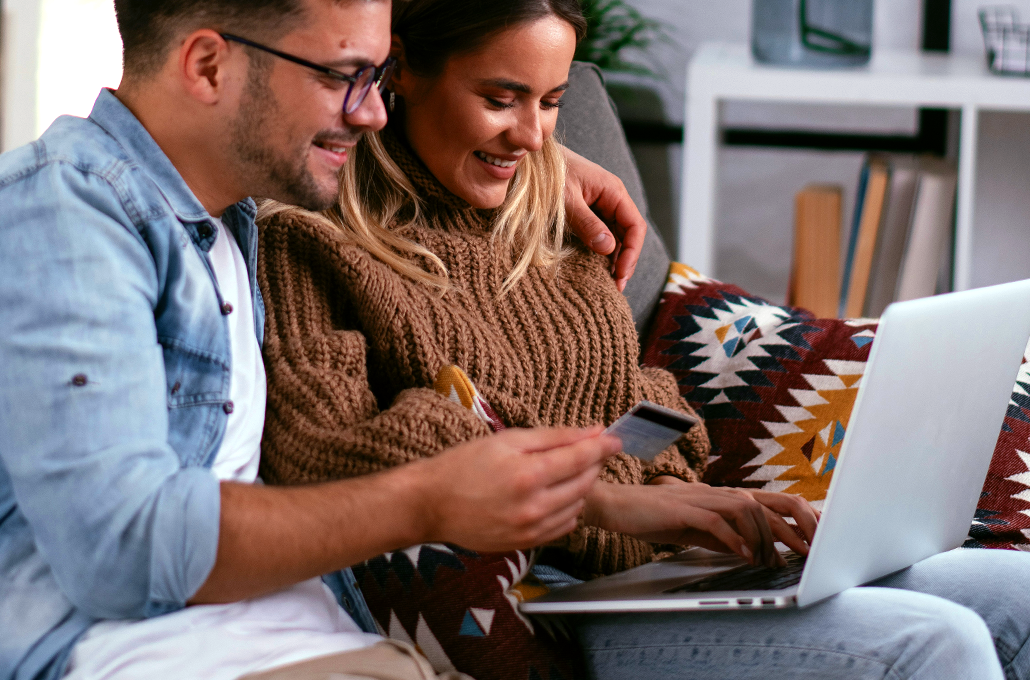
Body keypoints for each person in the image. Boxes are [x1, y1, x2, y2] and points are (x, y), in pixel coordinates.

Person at [256, 1, 1030, 679]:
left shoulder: (550, 222)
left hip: (656, 574)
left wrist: (685, 506)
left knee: (1018, 598)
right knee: (935, 643)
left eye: (552, 102)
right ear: (404, 73)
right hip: (549, 602)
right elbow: (324, 450)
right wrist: (599, 501)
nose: (530, 136)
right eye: (500, 98)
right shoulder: (311, 244)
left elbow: (655, 419)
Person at [0, 0, 658, 677]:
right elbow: (121, 545)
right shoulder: (66, 213)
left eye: (378, 76)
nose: (372, 111)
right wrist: (428, 499)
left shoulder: (229, 218)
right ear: (207, 65)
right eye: (344, 76)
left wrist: (537, 152)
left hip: (318, 637)